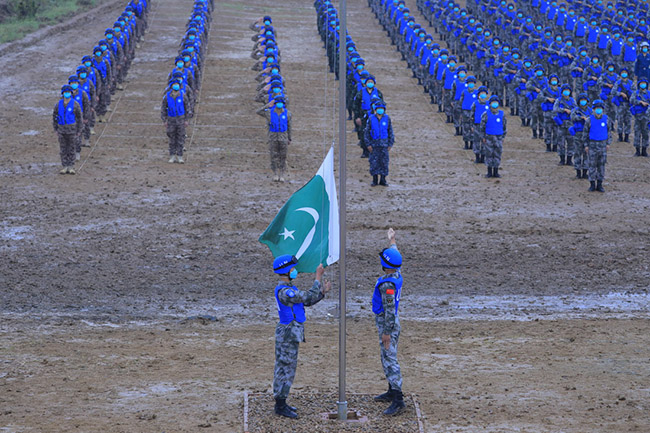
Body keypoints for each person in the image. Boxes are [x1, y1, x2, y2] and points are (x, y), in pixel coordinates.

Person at [272, 256, 331, 419]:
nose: (294, 271)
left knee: (288, 367)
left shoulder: (289, 288)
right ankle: (280, 404)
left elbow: (307, 301)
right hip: (288, 332)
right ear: (286, 271)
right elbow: (305, 297)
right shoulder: (285, 291)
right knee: (285, 368)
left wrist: (322, 292)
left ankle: (282, 401)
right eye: (292, 269)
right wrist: (317, 278)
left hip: (292, 331)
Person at [372, 228, 405, 416]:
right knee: (387, 357)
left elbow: (390, 311)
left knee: (390, 358)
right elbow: (396, 255)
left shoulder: (387, 285)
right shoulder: (396, 273)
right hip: (390, 323)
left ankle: (398, 399)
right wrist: (392, 241)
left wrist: (386, 332)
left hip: (387, 324)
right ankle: (392, 390)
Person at [256, 97, 292, 182]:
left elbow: (289, 127)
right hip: (273, 138)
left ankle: (282, 174)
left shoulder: (288, 114)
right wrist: (268, 105)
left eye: (281, 103)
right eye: (278, 102)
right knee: (273, 156)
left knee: (283, 156)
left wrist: (289, 138)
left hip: (283, 137)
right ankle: (275, 173)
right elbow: (258, 111)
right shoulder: (269, 113)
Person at [52, 85, 82, 175]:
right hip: (61, 130)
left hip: (72, 130)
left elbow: (79, 118)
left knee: (72, 148)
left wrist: (79, 130)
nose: (67, 94)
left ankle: (71, 166)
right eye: (65, 92)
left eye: (68, 92)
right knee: (63, 149)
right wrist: (56, 129)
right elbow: (54, 117)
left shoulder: (75, 104)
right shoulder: (58, 104)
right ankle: (65, 166)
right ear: (62, 93)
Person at [364, 100, 395, 187]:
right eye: (378, 108)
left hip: (384, 145)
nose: (380, 110)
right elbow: (366, 133)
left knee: (384, 162)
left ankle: (383, 180)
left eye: (382, 108)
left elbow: (390, 132)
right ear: (375, 109)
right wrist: (368, 144)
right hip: (374, 145)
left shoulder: (387, 118)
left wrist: (390, 144)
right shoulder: (371, 119)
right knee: (374, 162)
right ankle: (374, 180)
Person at [160, 79, 192, 163]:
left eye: (177, 84)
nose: (176, 86)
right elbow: (163, 109)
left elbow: (187, 108)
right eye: (174, 84)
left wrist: (187, 119)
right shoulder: (167, 96)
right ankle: (172, 155)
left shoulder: (183, 95)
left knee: (181, 138)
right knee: (172, 138)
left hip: (181, 120)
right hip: (171, 120)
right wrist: (164, 120)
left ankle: (180, 156)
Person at [584, 100, 611, 192]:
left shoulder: (606, 119)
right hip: (592, 145)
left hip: (603, 145)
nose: (598, 111)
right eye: (596, 109)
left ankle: (599, 184)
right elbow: (585, 134)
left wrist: (608, 143)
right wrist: (586, 145)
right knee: (592, 165)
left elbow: (609, 132)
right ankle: (592, 184)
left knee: (601, 165)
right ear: (593, 109)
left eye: (600, 109)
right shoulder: (589, 120)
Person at [481, 95, 507, 178]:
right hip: (489, 137)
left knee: (497, 154)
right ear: (490, 104)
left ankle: (496, 172)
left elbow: (504, 126)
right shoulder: (486, 114)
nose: (494, 104)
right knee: (489, 154)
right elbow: (482, 126)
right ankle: (489, 172)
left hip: (498, 137)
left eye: (496, 102)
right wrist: (483, 137)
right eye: (493, 102)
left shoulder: (502, 114)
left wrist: (503, 137)